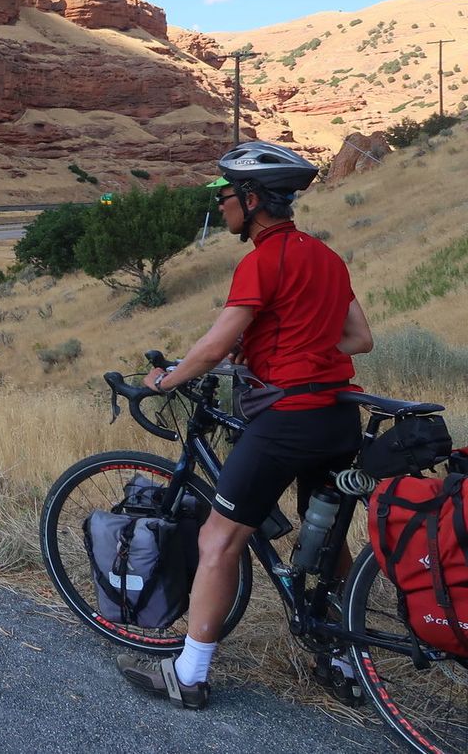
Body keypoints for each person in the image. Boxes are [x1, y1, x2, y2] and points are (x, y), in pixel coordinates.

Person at [117, 141, 374, 709]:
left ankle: (189, 674)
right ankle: (344, 654)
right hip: (338, 416)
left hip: (288, 420)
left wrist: (163, 382)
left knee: (219, 538)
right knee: (328, 538)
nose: (220, 203)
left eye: (225, 193)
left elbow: (213, 348)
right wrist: (288, 347)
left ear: (252, 199)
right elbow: (360, 339)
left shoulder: (262, 259)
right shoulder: (326, 257)